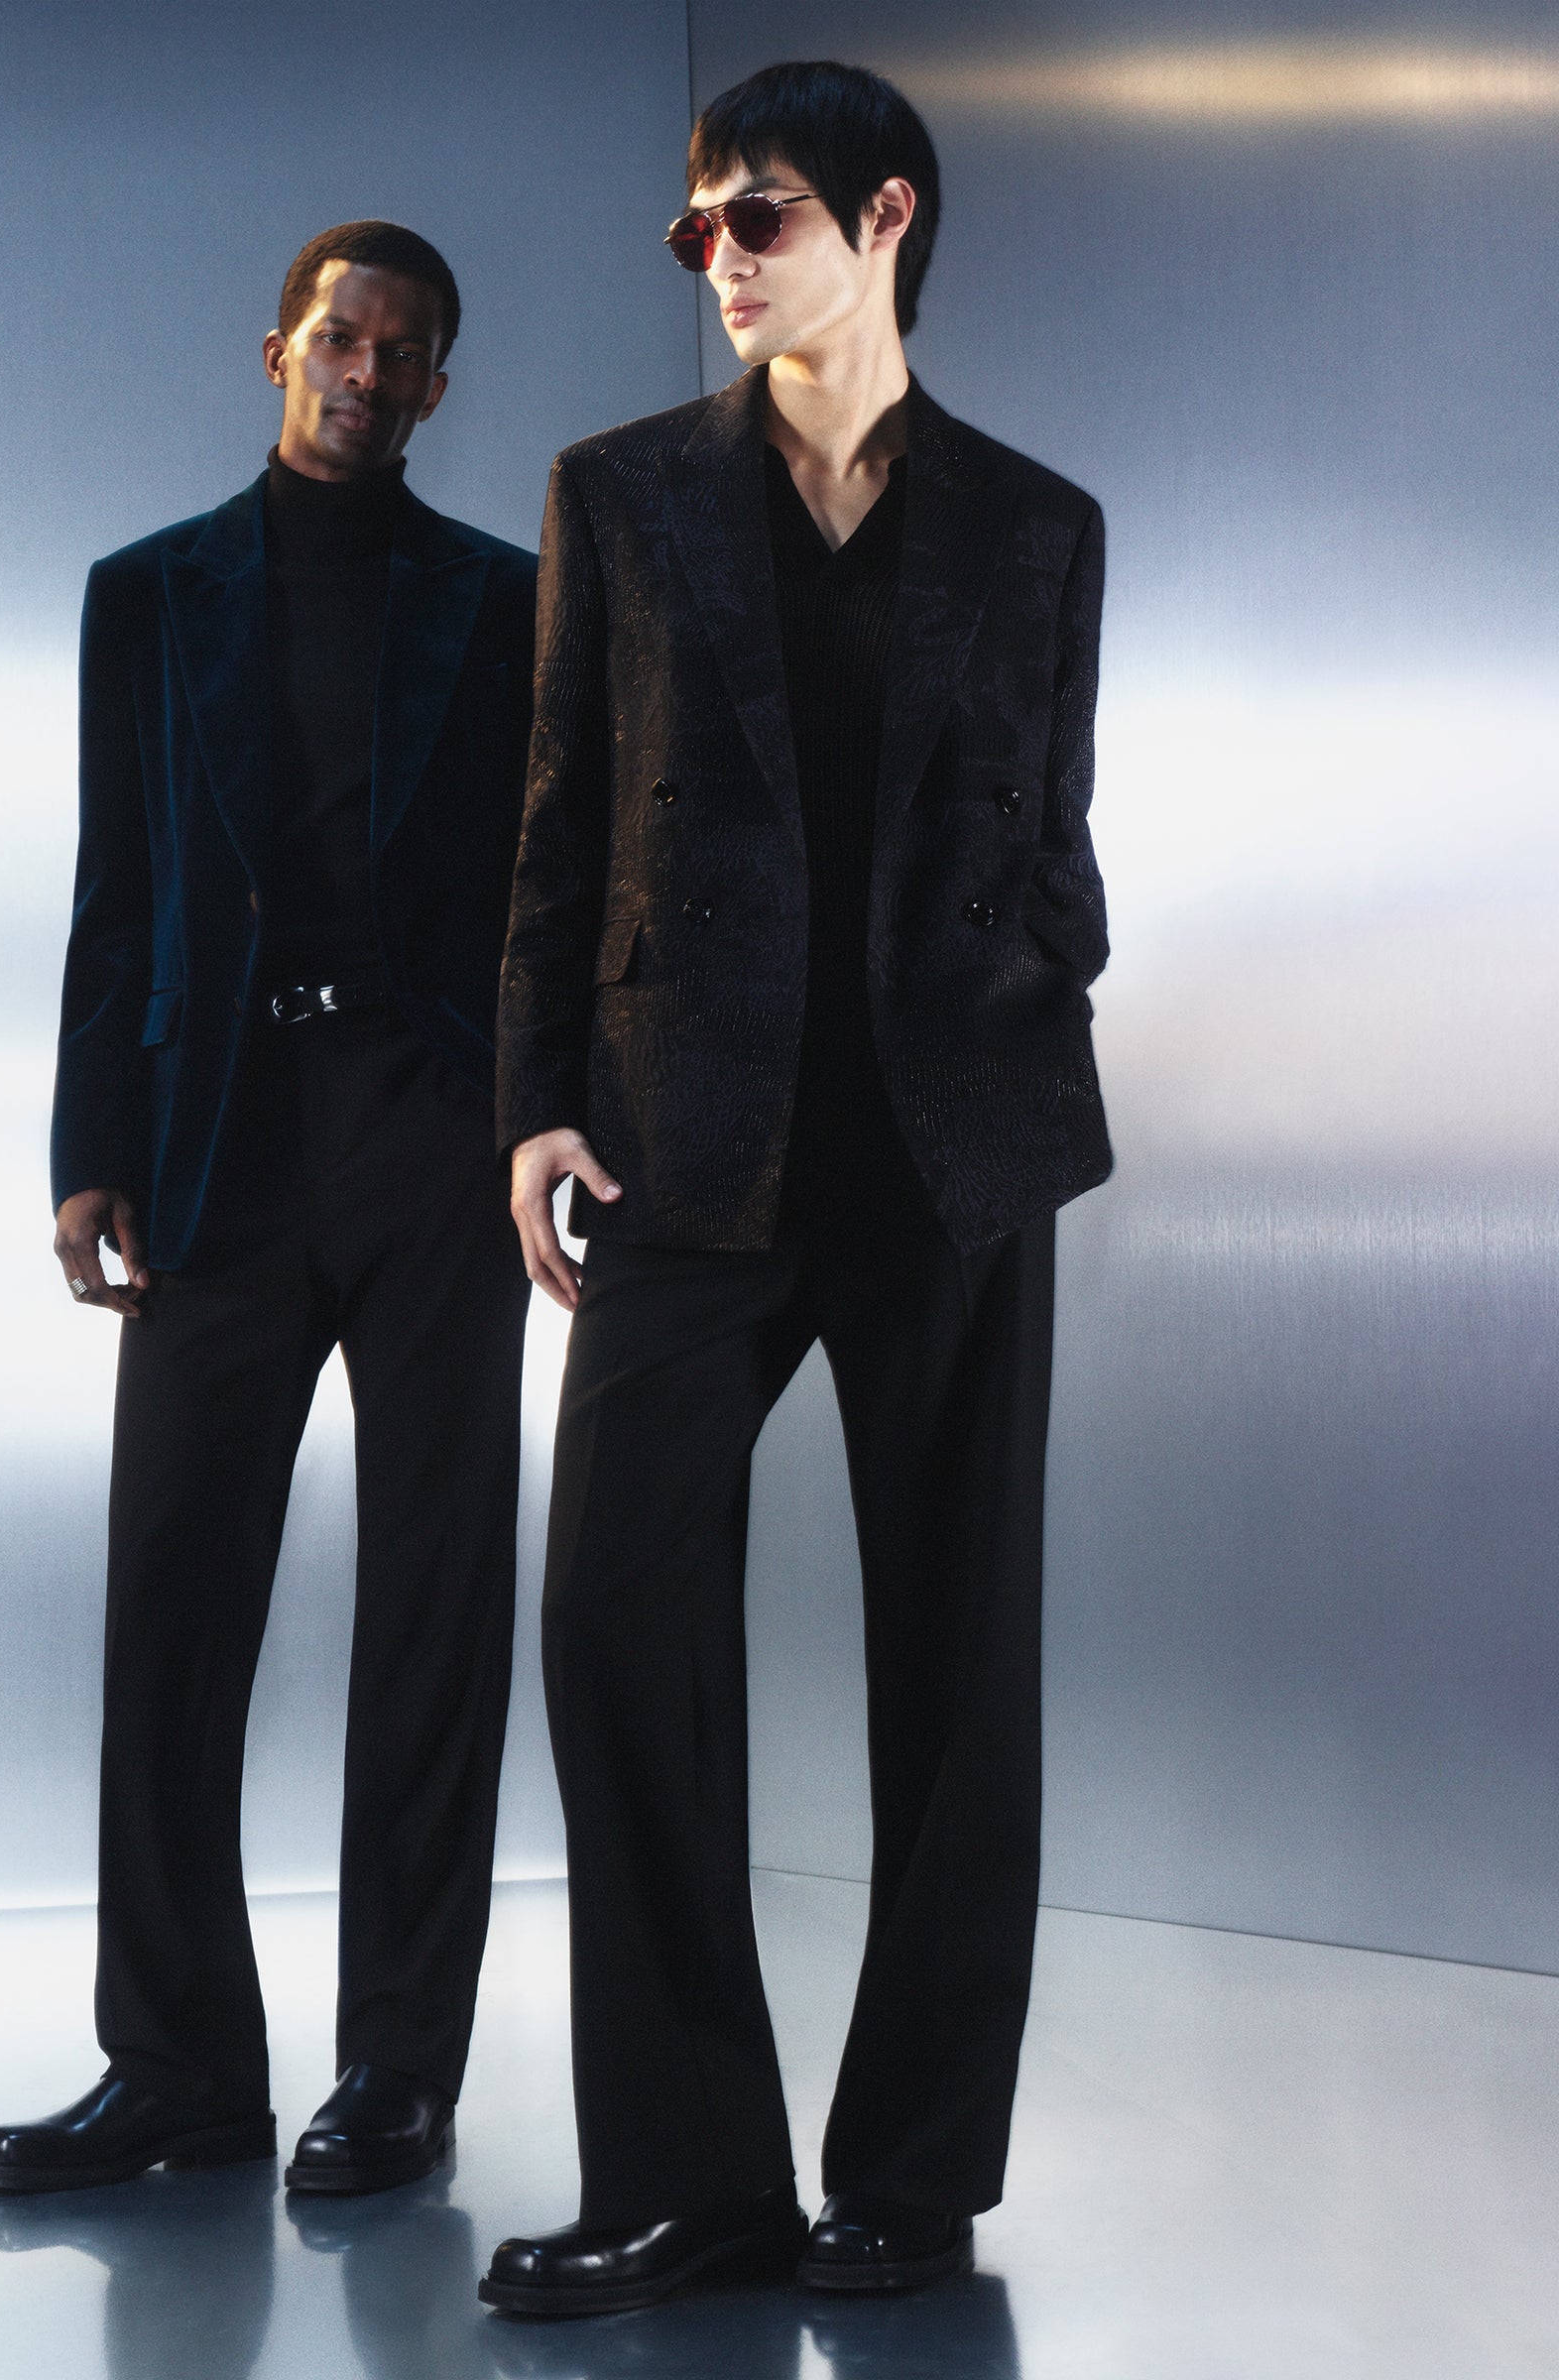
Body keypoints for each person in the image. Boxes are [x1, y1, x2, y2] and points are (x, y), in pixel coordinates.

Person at [482, 61, 1111, 2316]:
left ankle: (913, 2177)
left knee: (959, 1660)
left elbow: (1057, 831)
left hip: (954, 1150)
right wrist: (536, 1097)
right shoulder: (622, 493)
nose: (721, 259)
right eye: (698, 230)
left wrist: (1029, 970)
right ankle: (694, 2178)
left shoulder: (1037, 524)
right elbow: (560, 814)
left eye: (759, 217)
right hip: (686, 1139)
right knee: (615, 1619)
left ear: (885, 217)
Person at [0, 221, 537, 2200]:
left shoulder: (509, 602)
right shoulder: (148, 595)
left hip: (434, 1136)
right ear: (278, 348)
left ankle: (398, 2068)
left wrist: (536, 1117)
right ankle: (180, 2065)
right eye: (340, 338)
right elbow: (116, 887)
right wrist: (87, 1147)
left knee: (438, 1606)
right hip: (223, 1134)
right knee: (174, 1600)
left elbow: (548, 897)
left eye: (405, 352)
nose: (367, 374)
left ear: (441, 386)